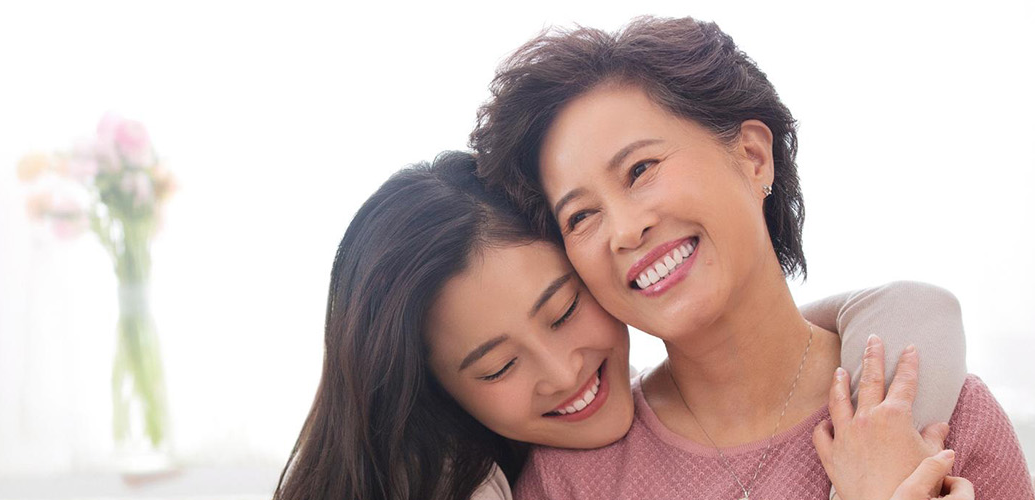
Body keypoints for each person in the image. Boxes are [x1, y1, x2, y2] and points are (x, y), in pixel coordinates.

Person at [469, 16, 1034, 499]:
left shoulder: (944, 418)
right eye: (580, 216)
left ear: (753, 155)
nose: (624, 229)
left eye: (640, 170)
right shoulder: (570, 479)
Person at [273, 152, 973, 500]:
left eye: (563, 309)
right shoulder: (509, 484)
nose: (562, 371)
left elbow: (915, 315)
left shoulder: (935, 408)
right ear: (436, 393)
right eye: (496, 368)